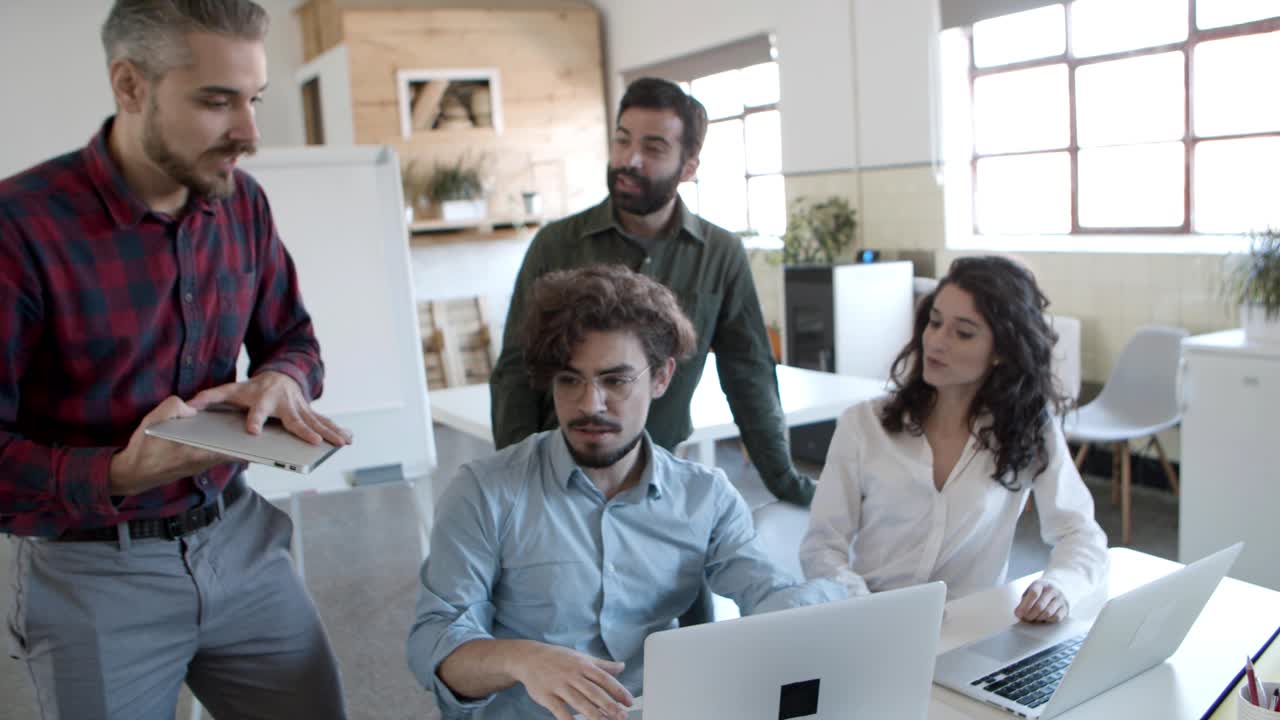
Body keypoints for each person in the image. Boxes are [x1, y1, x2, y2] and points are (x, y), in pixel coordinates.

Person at [0, 2, 352, 717]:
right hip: (91, 570)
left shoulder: (244, 205)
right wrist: (120, 473)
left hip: (240, 539)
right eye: (217, 101)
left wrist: (282, 380)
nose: (249, 134)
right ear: (130, 86)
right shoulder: (19, 231)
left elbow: (294, 338)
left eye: (253, 100)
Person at [409, 265, 844, 720]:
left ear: (661, 377)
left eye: (615, 380)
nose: (589, 404)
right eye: (570, 380)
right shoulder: (485, 492)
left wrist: (818, 611)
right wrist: (523, 659)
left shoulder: (704, 497)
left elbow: (766, 589)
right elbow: (433, 643)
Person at [490, 76, 815, 507]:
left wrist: (784, 480)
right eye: (623, 141)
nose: (630, 160)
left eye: (654, 148)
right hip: (559, 480)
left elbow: (749, 371)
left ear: (688, 166)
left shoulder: (719, 253)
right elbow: (517, 369)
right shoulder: (559, 244)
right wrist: (524, 481)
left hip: (659, 480)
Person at [799, 256, 1108, 623]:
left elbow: (1081, 534)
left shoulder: (1027, 428)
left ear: (1001, 352)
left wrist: (1060, 586)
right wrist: (869, 611)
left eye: (963, 332)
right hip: (871, 624)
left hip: (971, 632)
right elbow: (821, 549)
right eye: (934, 323)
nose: (937, 342)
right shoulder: (863, 425)